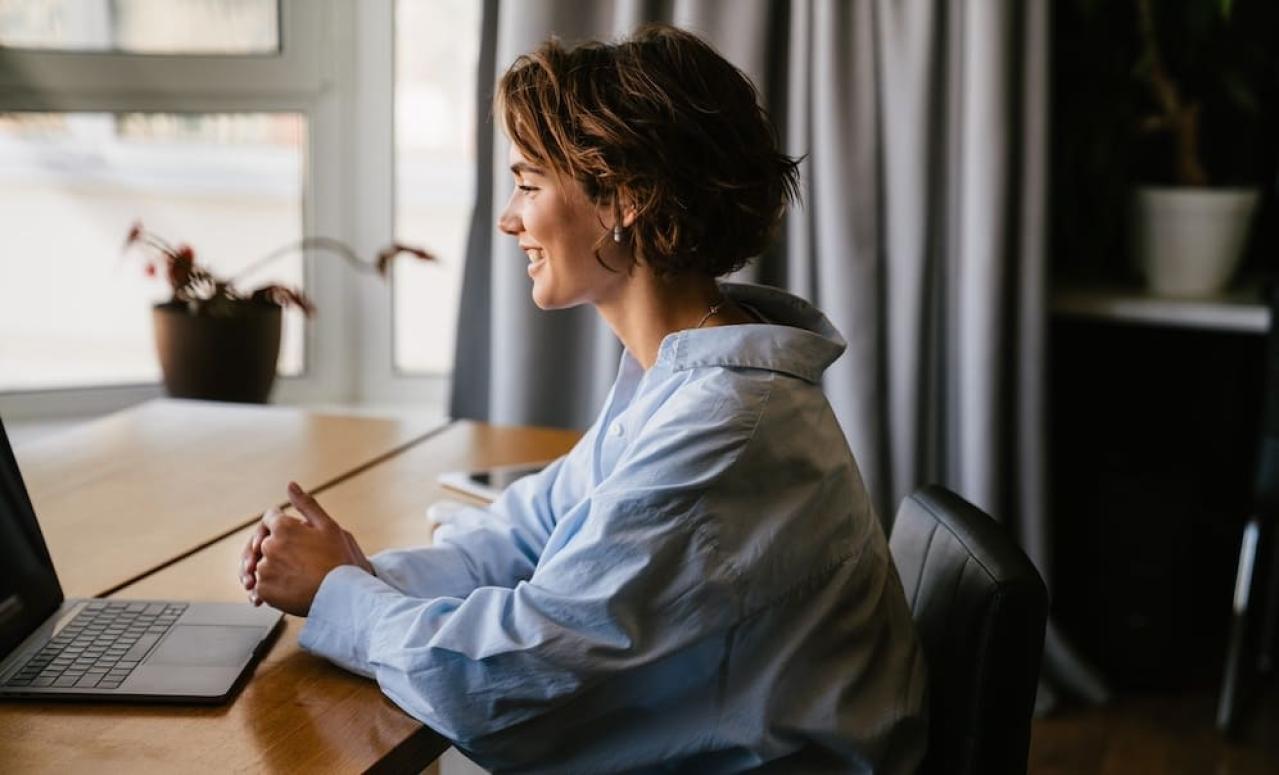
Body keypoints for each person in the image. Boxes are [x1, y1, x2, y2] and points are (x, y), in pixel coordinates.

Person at [240, 24, 928, 773]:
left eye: (529, 184)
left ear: (624, 198)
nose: (508, 218)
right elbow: (527, 532)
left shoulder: (724, 427)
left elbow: (498, 678)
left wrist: (341, 592)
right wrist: (357, 573)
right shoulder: (678, 377)